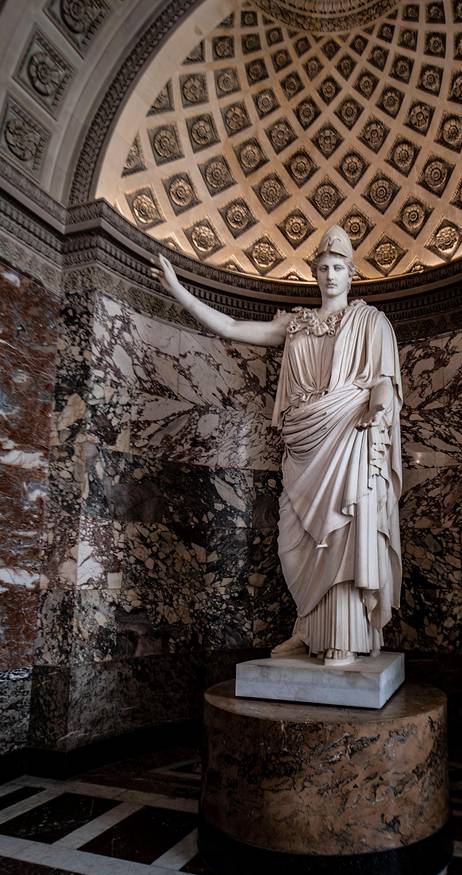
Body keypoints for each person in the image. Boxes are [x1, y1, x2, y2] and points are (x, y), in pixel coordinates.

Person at [150, 225, 402, 667]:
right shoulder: (297, 323)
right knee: (294, 542)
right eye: (323, 268)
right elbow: (232, 327)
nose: (330, 275)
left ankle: (343, 636)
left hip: (350, 437)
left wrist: (378, 412)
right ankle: (309, 628)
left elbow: (383, 381)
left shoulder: (371, 321)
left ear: (351, 273)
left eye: (338, 267)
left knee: (342, 533)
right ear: (315, 273)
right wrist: (180, 292)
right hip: (304, 446)